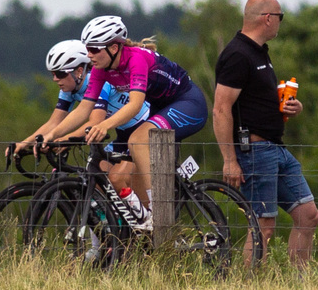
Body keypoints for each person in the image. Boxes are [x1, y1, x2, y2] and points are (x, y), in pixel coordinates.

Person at [61, 15, 211, 220]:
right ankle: (146, 218)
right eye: (87, 49)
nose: (89, 55)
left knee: (138, 139)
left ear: (113, 48)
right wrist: (53, 137)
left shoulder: (136, 59)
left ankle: (159, 213)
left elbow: (135, 104)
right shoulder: (100, 69)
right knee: (119, 165)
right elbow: (83, 109)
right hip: (162, 109)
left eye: (94, 49)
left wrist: (105, 125)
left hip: (188, 104)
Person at [213, 0, 318, 268]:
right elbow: (221, 109)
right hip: (256, 152)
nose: (280, 23)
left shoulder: (259, 52)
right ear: (267, 18)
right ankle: (250, 289)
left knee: (308, 215)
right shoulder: (237, 55)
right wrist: (230, 160)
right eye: (280, 16)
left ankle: (300, 284)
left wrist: (287, 107)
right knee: (263, 226)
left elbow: (256, 99)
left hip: (276, 148)